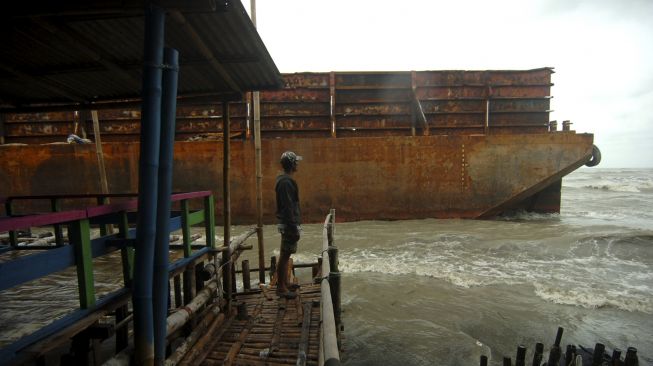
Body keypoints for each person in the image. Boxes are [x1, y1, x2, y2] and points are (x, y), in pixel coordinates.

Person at [275, 151, 302, 299]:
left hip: (287, 223)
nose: (297, 164)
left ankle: (284, 283)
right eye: (296, 162)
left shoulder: (284, 180)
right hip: (288, 224)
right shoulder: (286, 182)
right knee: (285, 256)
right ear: (292, 164)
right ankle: (281, 288)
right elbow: (288, 207)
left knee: (286, 254)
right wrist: (293, 227)